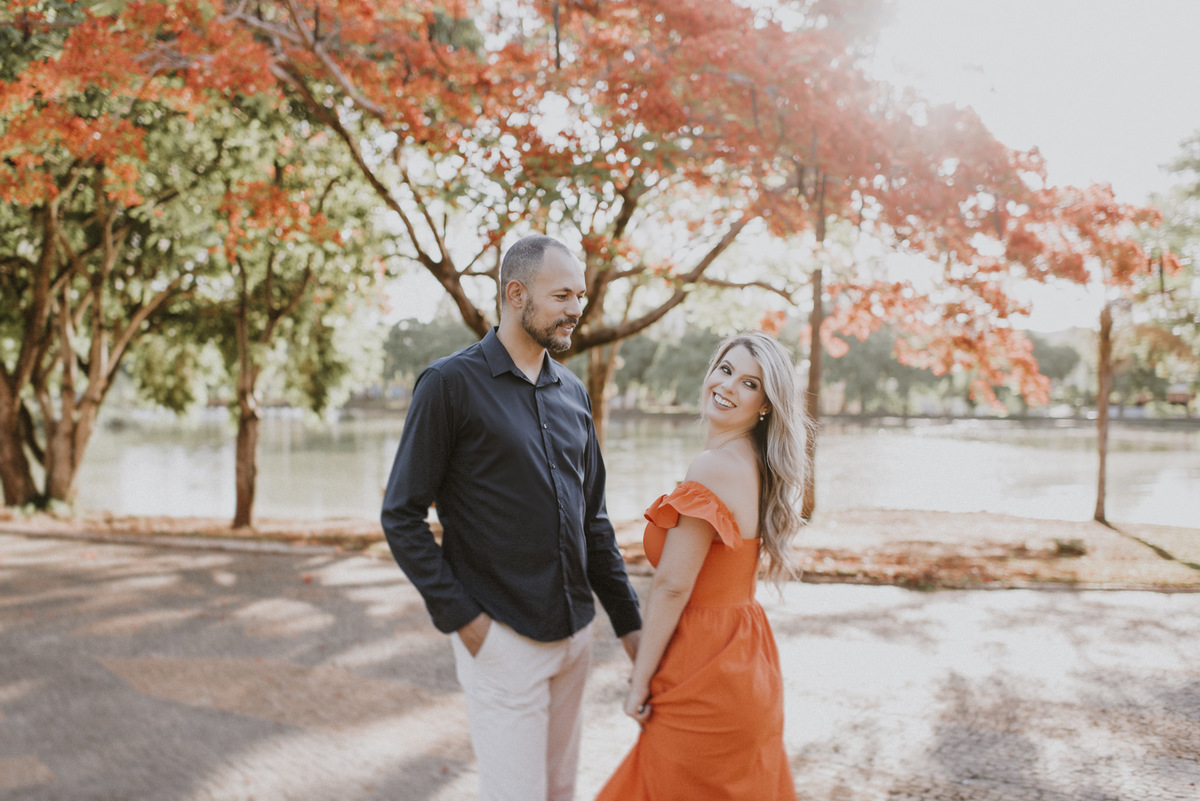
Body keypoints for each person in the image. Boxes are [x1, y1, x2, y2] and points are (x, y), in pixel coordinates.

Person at [380, 234, 642, 801]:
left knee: (557, 793)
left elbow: (593, 523)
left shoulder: (574, 393)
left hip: (575, 636)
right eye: (562, 295)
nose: (577, 308)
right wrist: (468, 623)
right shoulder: (449, 385)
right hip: (502, 639)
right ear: (515, 294)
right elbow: (401, 516)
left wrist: (631, 627)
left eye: (580, 295)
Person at [596, 331, 810, 800]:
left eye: (750, 384)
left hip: (705, 668)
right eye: (727, 370)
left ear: (766, 405)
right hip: (746, 657)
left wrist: (640, 682)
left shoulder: (714, 466)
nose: (730, 386)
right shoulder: (754, 461)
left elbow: (673, 586)